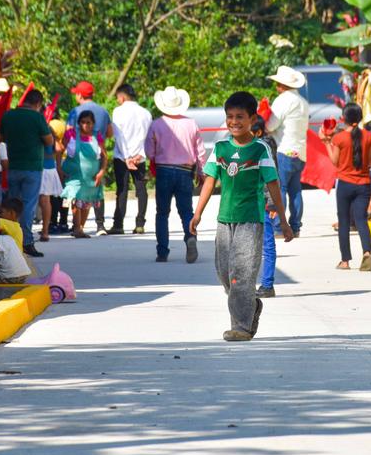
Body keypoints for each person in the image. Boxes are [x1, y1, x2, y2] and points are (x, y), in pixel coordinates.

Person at [190, 92, 293, 342]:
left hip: (251, 219)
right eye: (230, 117)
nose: (234, 122)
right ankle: (251, 305)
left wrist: (284, 220)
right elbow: (210, 180)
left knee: (243, 274)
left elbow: (273, 185)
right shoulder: (221, 147)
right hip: (225, 220)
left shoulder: (261, 150)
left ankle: (242, 326)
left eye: (240, 117)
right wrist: (198, 213)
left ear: (252, 119)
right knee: (224, 273)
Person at [146, 86, 207, 263]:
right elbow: (200, 152)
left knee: (162, 213)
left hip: (164, 170)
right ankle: (190, 237)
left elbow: (150, 151)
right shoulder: (191, 124)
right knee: (186, 211)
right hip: (185, 171)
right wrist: (201, 172)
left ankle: (162, 252)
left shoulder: (157, 124)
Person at [320, 103, 371, 271]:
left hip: (345, 184)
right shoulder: (369, 137)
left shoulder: (339, 138)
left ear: (343, 118)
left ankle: (345, 261)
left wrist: (326, 142)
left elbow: (334, 161)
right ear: (360, 118)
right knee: (362, 220)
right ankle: (367, 253)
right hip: (363, 184)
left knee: (344, 222)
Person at [0, 89, 54, 257]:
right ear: (38, 103)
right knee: (28, 206)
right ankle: (27, 241)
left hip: (13, 166)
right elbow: (49, 140)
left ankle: (11, 239)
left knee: (12, 206)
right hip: (32, 167)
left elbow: (0, 138)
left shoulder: (8, 115)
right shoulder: (37, 117)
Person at [265, 65, 309, 238]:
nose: (276, 87)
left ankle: (278, 227)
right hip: (300, 151)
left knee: (279, 188)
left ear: (281, 85)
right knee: (295, 190)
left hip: (284, 149)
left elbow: (270, 125)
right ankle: (296, 226)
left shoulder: (283, 100)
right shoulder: (303, 102)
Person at [66, 81, 112, 234]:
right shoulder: (104, 112)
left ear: (80, 95)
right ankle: (99, 225)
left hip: (84, 162)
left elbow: (68, 133)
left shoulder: (75, 111)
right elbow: (110, 133)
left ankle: (79, 227)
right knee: (89, 194)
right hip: (94, 159)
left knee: (83, 196)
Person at [110, 83, 152, 235]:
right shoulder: (146, 113)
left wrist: (127, 156)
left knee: (122, 190)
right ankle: (140, 224)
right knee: (141, 189)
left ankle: (118, 224)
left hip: (122, 156)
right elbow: (148, 137)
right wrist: (140, 154)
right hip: (139, 157)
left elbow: (119, 136)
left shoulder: (118, 112)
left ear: (121, 97)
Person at [61, 110, 108, 238]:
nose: (86, 125)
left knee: (87, 202)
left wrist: (101, 172)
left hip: (91, 178)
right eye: (83, 122)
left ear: (93, 124)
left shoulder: (96, 136)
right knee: (75, 199)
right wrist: (59, 169)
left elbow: (104, 156)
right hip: (74, 175)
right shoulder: (71, 134)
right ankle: (77, 228)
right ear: (79, 123)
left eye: (89, 122)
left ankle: (80, 228)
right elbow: (59, 150)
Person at [251, 119, 279, 298]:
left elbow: (272, 178)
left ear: (258, 132)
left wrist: (272, 203)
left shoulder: (263, 148)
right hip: (252, 202)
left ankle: (268, 284)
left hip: (263, 203)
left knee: (267, 244)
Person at [39, 119, 65, 241]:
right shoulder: (53, 138)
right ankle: (46, 229)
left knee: (43, 201)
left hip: (42, 170)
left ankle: (46, 229)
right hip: (50, 169)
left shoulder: (40, 135)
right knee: (47, 201)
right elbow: (59, 151)